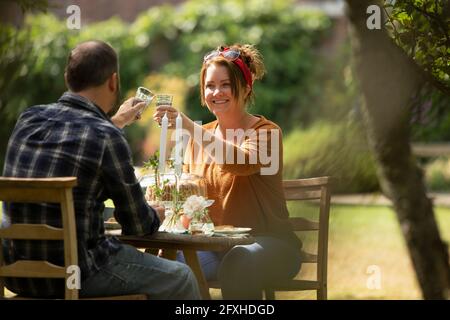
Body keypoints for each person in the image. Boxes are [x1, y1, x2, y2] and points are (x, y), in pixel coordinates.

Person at [2, 40, 201, 300]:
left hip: (17, 273)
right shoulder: (106, 136)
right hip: (80, 273)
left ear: (67, 78)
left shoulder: (29, 118)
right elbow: (138, 225)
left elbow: (77, 135)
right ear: (113, 81)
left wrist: (115, 121)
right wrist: (156, 214)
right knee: (181, 277)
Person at [153, 44, 302, 299]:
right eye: (210, 85)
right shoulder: (199, 137)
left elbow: (241, 163)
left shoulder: (266, 132)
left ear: (245, 88)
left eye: (225, 85)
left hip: (270, 245)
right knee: (161, 267)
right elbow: (190, 199)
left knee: (239, 259)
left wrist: (188, 126)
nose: (216, 92)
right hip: (215, 248)